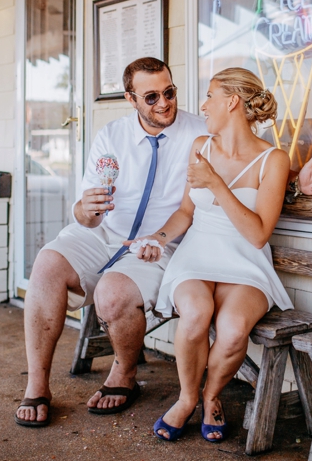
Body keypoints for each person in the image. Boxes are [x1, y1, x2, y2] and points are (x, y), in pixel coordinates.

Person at [15, 58, 312, 428]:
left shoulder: (202, 130)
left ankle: (125, 374)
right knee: (46, 265)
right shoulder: (111, 135)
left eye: (170, 92)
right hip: (104, 231)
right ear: (131, 99)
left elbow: (254, 161)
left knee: (113, 295)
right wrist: (83, 210)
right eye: (151, 97)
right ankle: (37, 386)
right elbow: (88, 209)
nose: (164, 103)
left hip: (160, 247)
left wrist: (298, 184)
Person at [125, 68, 292, 442]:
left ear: (232, 101)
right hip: (197, 257)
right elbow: (187, 212)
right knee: (197, 313)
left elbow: (258, 234)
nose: (202, 105)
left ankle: (210, 395)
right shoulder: (201, 145)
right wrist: (157, 237)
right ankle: (186, 399)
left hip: (244, 263)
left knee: (233, 332)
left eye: (210, 96)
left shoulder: (273, 160)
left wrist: (216, 183)